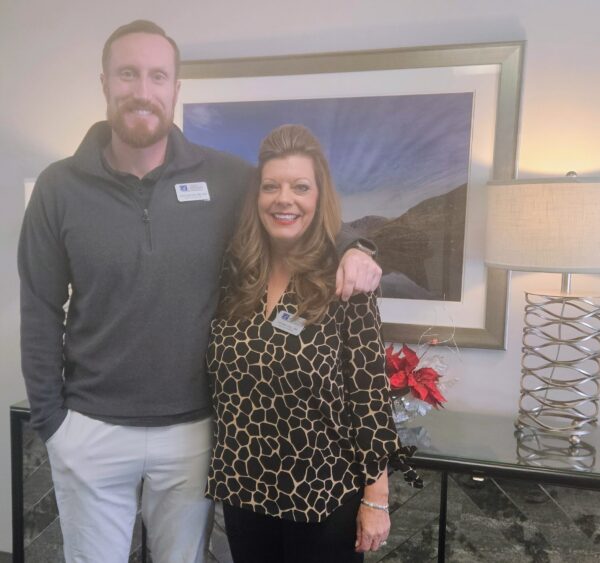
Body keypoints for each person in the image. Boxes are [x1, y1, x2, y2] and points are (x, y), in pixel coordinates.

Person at [17, 21, 382, 563]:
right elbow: (40, 308)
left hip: (192, 432)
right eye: (128, 74)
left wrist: (355, 245)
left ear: (175, 88)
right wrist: (53, 422)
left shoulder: (226, 177)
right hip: (90, 429)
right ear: (105, 83)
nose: (142, 89)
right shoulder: (58, 187)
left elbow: (293, 204)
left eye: (157, 76)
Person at [206, 124, 420, 563]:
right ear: (256, 197)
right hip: (245, 493)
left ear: (319, 197)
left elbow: (369, 396)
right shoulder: (235, 274)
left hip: (323, 498)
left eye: (300, 187)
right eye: (271, 186)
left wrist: (377, 498)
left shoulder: (344, 279)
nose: (284, 199)